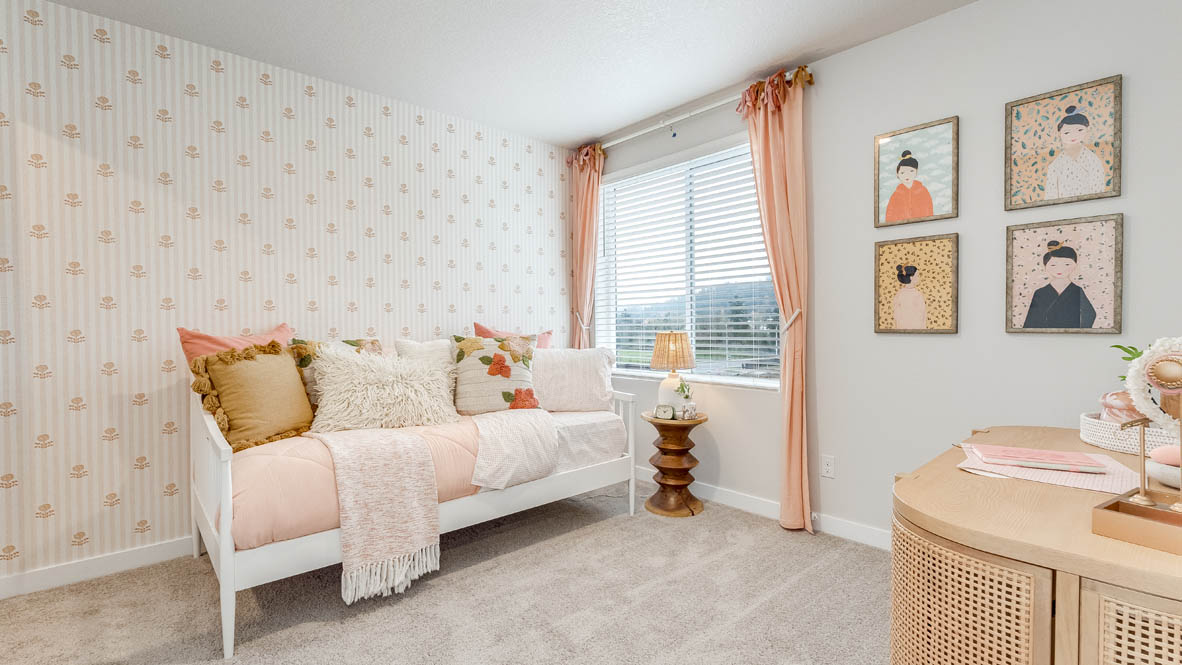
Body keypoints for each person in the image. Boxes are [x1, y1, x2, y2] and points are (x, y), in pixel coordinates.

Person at [1022, 240, 1096, 328]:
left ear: (1075, 265)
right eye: (1053, 265)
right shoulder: (1040, 292)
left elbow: (1090, 314)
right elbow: (1031, 321)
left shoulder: (1077, 290)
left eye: (1067, 264)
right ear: (1046, 266)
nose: (1060, 269)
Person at [1043, 105, 1106, 199]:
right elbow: (1050, 194)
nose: (1073, 135)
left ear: (1087, 130)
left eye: (1079, 130)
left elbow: (1098, 189)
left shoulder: (1092, 159)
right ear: (1060, 134)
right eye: (1067, 132)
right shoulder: (1055, 164)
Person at [884, 150, 934, 223]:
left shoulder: (923, 191)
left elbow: (929, 211)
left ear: (916, 172)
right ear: (897, 175)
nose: (907, 175)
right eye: (902, 172)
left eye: (911, 171)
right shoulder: (895, 195)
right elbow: (889, 216)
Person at [892, 264, 926, 329]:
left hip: (903, 328)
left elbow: (896, 315)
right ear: (911, 277)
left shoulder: (899, 294)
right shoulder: (917, 294)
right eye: (917, 276)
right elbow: (922, 315)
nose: (918, 278)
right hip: (915, 327)